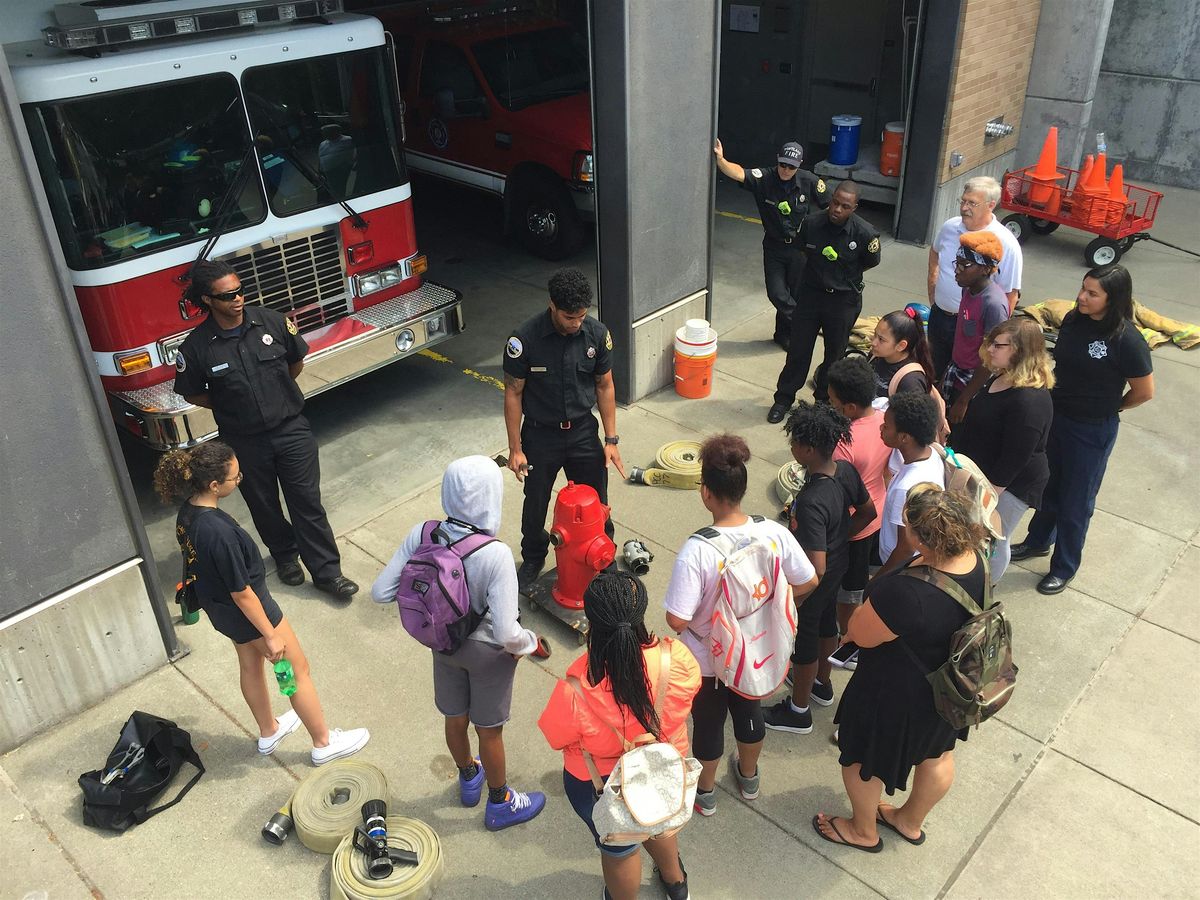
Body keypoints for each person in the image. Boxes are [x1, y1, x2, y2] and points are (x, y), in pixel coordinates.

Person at [153, 442, 369, 765]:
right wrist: (269, 633)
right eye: (235, 478)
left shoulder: (188, 513)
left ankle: (269, 730)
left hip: (221, 611)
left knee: (250, 665)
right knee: (297, 670)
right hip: (250, 610)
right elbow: (242, 592)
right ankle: (323, 741)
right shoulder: (219, 533)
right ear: (214, 485)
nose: (239, 481)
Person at [370, 456, 547, 830]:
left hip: (442, 644)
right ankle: (500, 803)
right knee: (490, 730)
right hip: (487, 655)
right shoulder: (495, 553)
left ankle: (468, 778)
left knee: (455, 717)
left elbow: (380, 592)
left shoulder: (423, 533)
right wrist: (529, 643)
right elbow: (505, 633)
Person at [813, 485, 985, 852]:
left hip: (894, 693)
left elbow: (860, 633)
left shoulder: (907, 593)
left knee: (862, 758)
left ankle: (862, 831)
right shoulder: (975, 559)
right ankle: (908, 822)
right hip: (948, 688)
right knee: (937, 755)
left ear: (921, 537)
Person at [173, 259, 358, 600]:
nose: (237, 299)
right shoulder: (197, 347)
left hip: (291, 431)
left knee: (307, 503)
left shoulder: (273, 322)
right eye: (227, 296)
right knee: (264, 505)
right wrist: (231, 404)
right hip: (244, 441)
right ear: (208, 300)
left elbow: (295, 360)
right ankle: (286, 557)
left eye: (240, 290)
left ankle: (328, 573)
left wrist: (277, 394)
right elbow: (191, 390)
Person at [662, 435, 818, 816]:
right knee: (750, 712)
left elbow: (677, 618)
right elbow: (809, 580)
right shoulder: (774, 533)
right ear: (743, 488)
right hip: (758, 649)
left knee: (710, 723)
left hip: (710, 659)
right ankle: (748, 777)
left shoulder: (698, 549)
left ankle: (706, 792)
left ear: (705, 493)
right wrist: (776, 609)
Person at [539, 572, 700, 900]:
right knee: (658, 819)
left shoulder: (574, 689)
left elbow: (558, 737)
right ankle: (675, 882)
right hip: (665, 768)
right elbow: (688, 698)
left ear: (591, 623)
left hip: (600, 784)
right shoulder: (677, 660)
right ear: (639, 614)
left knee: (620, 850)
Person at [1011, 265, 1154, 594]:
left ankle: (1064, 566)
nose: (1081, 297)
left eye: (1092, 293)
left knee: (1076, 501)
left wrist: (1112, 407)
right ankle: (1037, 541)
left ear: (1112, 298)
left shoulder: (1126, 340)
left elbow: (1144, 392)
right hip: (1058, 418)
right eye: (1083, 288)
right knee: (1048, 486)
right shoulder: (1074, 320)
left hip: (1091, 431)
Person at [503, 268, 625, 586]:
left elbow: (605, 385)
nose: (576, 323)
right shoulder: (524, 339)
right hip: (541, 435)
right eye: (569, 316)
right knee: (536, 501)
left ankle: (603, 553)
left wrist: (611, 439)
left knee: (597, 501)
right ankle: (533, 557)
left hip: (583, 431)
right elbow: (513, 393)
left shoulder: (596, 335)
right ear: (552, 306)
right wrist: (515, 449)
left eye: (581, 316)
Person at [764, 404, 875, 735]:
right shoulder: (845, 471)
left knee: (805, 640)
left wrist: (791, 602)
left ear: (808, 450)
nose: (792, 448)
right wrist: (840, 537)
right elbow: (868, 512)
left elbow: (815, 569)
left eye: (795, 442)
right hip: (838, 566)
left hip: (813, 580)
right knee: (828, 626)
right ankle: (822, 685)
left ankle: (798, 710)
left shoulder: (813, 500)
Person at [768, 181, 881, 422]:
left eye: (845, 206)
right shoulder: (811, 223)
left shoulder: (865, 234)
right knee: (798, 350)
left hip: (842, 300)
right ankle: (784, 398)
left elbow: (870, 261)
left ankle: (824, 402)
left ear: (854, 208)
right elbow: (802, 250)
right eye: (835, 203)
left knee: (834, 355)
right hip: (811, 296)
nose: (837, 210)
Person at [951, 318, 1054, 582]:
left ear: (1019, 350)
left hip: (1010, 485)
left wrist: (989, 497)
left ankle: (985, 588)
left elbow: (1015, 456)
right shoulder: (1002, 377)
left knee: (993, 538)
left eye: (998, 345)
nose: (991, 349)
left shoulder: (1029, 401)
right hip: (985, 474)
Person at [713, 138, 830, 348]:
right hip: (774, 246)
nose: (786, 170)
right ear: (778, 160)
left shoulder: (810, 181)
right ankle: (805, 324)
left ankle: (785, 335)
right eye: (783, 164)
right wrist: (721, 160)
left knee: (795, 292)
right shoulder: (765, 178)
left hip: (800, 248)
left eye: (791, 166)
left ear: (800, 164)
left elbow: (830, 208)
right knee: (777, 293)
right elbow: (739, 172)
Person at [826, 356, 892, 657]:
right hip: (877, 516)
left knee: (844, 594)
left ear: (849, 407)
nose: (830, 406)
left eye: (833, 401)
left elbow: (835, 492)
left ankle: (847, 642)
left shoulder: (844, 443)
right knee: (855, 586)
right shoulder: (883, 421)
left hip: (849, 527)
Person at [926, 176, 1023, 380]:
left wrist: (994, 340)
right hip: (939, 315)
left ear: (991, 205)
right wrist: (933, 288)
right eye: (963, 201)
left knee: (964, 378)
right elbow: (935, 252)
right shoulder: (950, 227)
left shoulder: (1006, 243)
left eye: (972, 203)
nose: (964, 208)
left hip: (973, 331)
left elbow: (1010, 295)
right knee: (934, 371)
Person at [876, 393, 945, 576]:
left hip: (900, 569)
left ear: (904, 437)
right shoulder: (932, 454)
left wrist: (880, 578)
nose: (881, 428)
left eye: (887, 426)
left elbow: (905, 549)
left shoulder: (906, 488)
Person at [941, 231, 1010, 412]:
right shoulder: (968, 289)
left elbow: (991, 359)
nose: (957, 270)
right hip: (955, 372)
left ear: (986, 269)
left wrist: (964, 400)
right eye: (958, 263)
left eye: (966, 265)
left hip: (973, 384)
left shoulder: (993, 304)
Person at [868, 308, 937, 401]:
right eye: (875, 334)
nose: (874, 343)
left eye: (881, 339)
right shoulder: (875, 356)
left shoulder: (911, 381)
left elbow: (910, 415)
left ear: (901, 345)